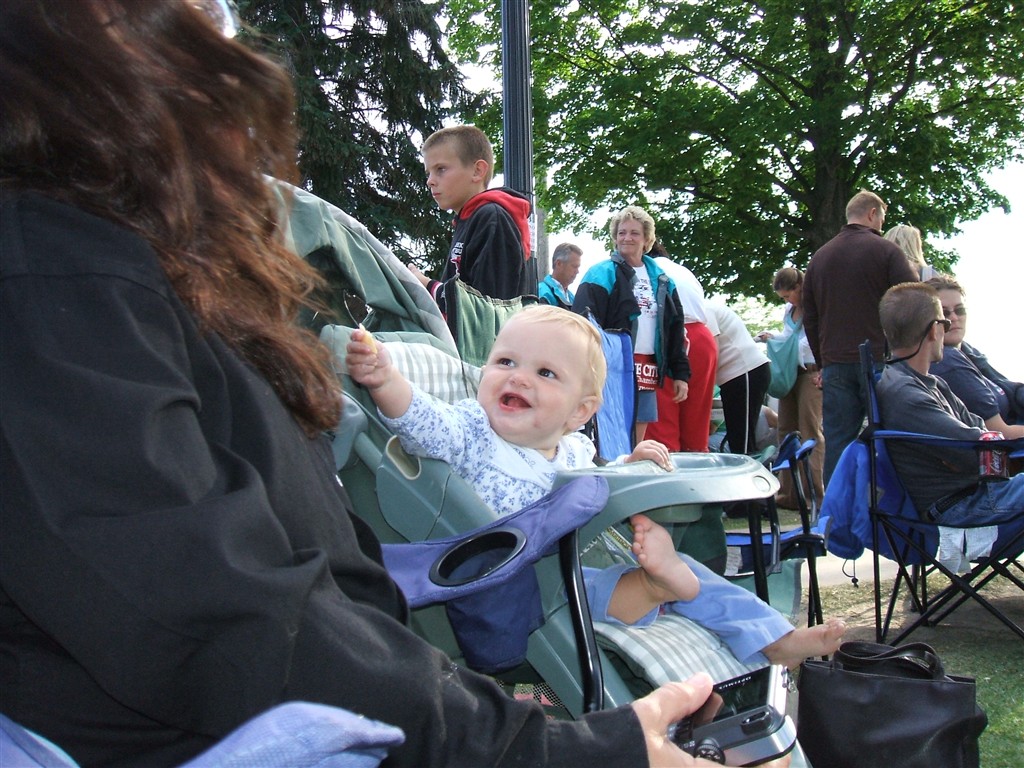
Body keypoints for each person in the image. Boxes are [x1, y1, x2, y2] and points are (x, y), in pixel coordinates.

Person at [0, 3, 787, 767]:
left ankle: (767, 639)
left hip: (349, 682)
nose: (220, 30)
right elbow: (216, 619)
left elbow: (304, 580)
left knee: (682, 586)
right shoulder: (55, 280)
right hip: (254, 726)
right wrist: (558, 750)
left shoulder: (146, 273)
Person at [347, 305, 845, 667]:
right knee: (604, 584)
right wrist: (385, 378)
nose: (518, 378)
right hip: (524, 585)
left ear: (579, 412)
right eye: (504, 363)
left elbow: (598, 479)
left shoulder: (573, 450)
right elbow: (422, 420)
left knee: (692, 574)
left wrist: (629, 464)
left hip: (584, 562)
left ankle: (773, 639)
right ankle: (653, 588)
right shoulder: (473, 432)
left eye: (545, 372)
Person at [876, 283, 1023, 522]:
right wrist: (973, 449)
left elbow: (980, 432)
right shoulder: (906, 393)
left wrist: (968, 450)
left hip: (974, 495)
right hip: (958, 507)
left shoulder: (928, 382)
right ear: (935, 330)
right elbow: (977, 454)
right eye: (944, 322)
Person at [803, 189, 919, 484]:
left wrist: (822, 362)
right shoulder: (886, 251)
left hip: (835, 363)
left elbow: (810, 317)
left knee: (838, 443)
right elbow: (914, 300)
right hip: (878, 360)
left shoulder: (819, 258)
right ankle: (892, 504)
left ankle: (835, 509)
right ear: (872, 213)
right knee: (892, 435)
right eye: (882, 218)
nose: (882, 224)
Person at [572, 206, 691, 443]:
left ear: (647, 239)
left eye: (634, 233)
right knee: (609, 432)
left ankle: (633, 464)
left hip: (647, 366)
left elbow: (674, 328)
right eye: (622, 233)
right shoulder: (600, 274)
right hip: (611, 365)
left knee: (639, 430)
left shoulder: (662, 279)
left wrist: (680, 374)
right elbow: (582, 323)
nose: (627, 238)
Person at [408, 125, 532, 310]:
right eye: (429, 173)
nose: (430, 181)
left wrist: (426, 285)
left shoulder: (492, 219)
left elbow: (486, 310)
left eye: (441, 169)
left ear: (477, 171)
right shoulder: (469, 219)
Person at [757, 268, 825, 505]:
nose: (787, 300)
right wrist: (773, 337)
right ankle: (788, 492)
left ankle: (814, 493)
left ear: (799, 288)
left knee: (810, 430)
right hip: (791, 373)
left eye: (788, 295)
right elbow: (789, 337)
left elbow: (811, 341)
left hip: (810, 372)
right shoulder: (789, 310)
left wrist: (785, 344)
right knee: (785, 430)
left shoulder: (815, 306)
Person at [926, 275, 1024, 437]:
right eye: (944, 313)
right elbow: (999, 432)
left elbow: (1009, 388)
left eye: (960, 310)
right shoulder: (947, 362)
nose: (954, 318)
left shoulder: (968, 352)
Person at [648, 242, 720, 452]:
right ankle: (697, 461)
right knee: (697, 422)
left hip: (668, 336)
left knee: (662, 423)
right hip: (702, 338)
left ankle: (666, 466)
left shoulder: (645, 270)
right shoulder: (684, 271)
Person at [707, 304, 772, 456]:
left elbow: (713, 351)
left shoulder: (706, 311)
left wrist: (706, 387)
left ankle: (750, 464)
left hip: (746, 371)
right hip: (735, 376)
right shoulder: (706, 310)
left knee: (742, 439)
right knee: (737, 436)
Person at [537, 241, 582, 309]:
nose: (577, 272)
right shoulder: (542, 293)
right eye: (574, 266)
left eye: (578, 267)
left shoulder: (573, 299)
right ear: (558, 264)